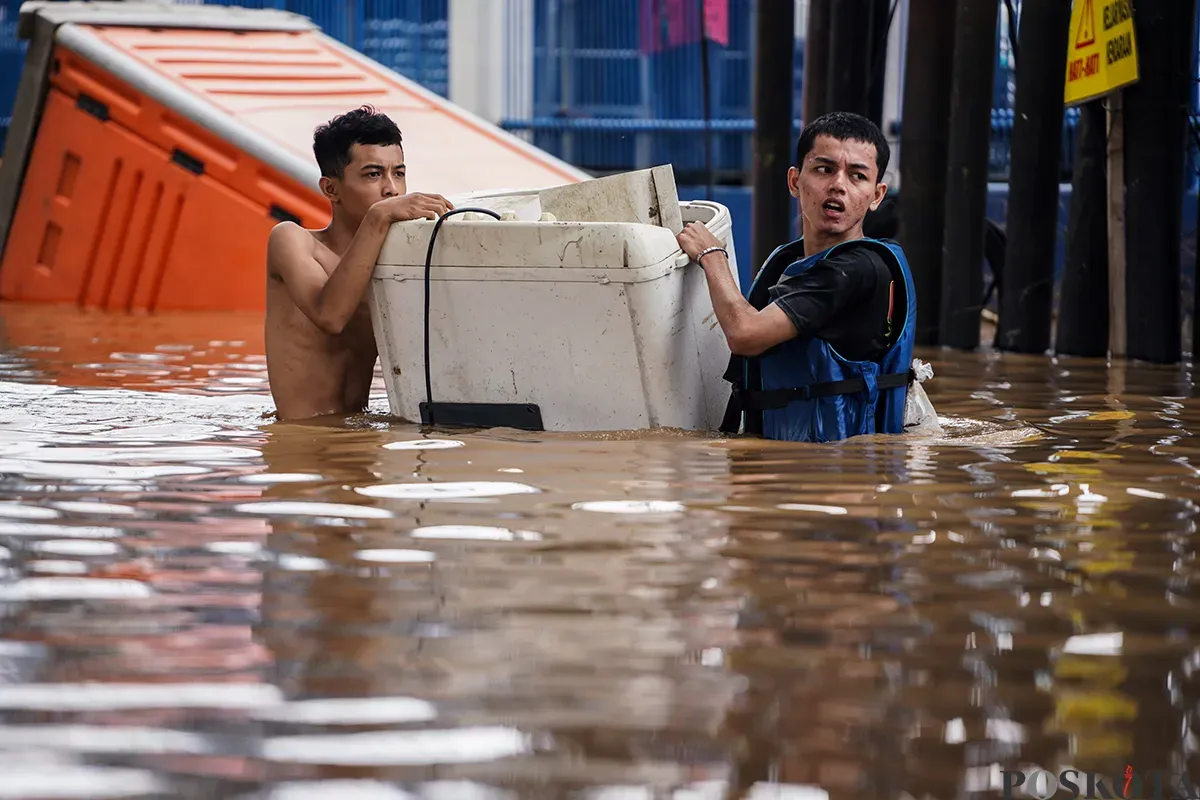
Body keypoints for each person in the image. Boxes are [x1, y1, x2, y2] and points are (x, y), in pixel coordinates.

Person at [676, 111, 920, 443]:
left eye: (857, 177)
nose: (838, 185)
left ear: (876, 195)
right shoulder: (790, 261)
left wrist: (711, 256)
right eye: (824, 169)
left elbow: (745, 334)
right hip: (785, 467)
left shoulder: (856, 271)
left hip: (836, 477)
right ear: (795, 181)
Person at [264, 106, 453, 421]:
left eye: (399, 173)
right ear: (331, 189)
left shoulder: (393, 262)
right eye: (373, 174)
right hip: (301, 442)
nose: (391, 189)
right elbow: (331, 315)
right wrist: (379, 216)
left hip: (359, 430)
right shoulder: (291, 240)